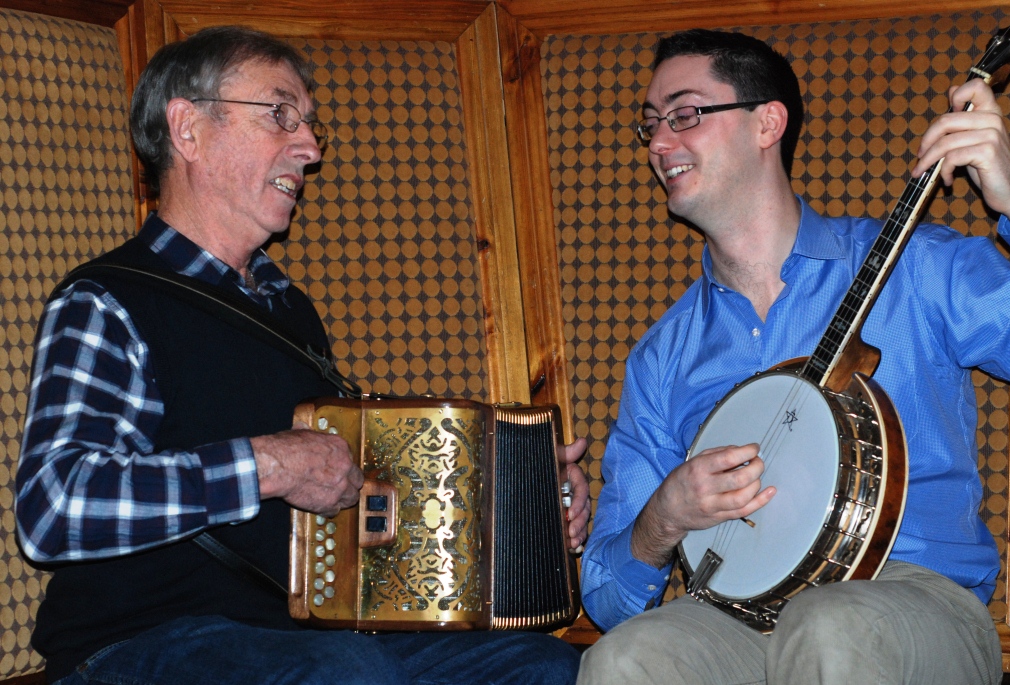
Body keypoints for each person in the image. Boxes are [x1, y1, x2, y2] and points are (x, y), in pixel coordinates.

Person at [15, 25, 590, 685]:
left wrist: (524, 506)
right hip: (128, 646)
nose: (310, 148)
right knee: (348, 672)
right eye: (280, 115)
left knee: (541, 663)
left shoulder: (289, 310)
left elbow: (345, 514)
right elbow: (53, 509)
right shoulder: (107, 302)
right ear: (188, 129)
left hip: (302, 641)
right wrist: (269, 464)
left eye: (311, 125)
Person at [577, 28, 1010, 685]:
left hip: (914, 599)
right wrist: (663, 518)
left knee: (828, 625)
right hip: (739, 615)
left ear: (767, 122)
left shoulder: (915, 265)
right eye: (652, 124)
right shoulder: (661, 357)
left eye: (685, 114)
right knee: (621, 661)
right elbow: (609, 598)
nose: (661, 142)